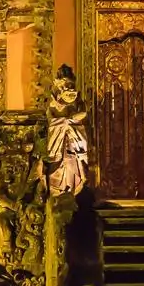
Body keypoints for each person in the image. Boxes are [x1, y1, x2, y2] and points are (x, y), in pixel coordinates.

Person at [40, 65, 90, 199]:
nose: (68, 87)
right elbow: (51, 120)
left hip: (74, 141)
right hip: (58, 143)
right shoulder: (52, 103)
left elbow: (83, 114)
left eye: (70, 84)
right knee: (58, 165)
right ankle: (58, 191)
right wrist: (63, 122)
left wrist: (72, 121)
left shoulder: (79, 102)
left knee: (74, 163)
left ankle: (74, 187)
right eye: (65, 84)